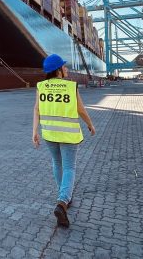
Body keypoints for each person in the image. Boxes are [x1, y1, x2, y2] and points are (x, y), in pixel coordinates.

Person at [32, 54, 96, 227]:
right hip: (68, 135)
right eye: (64, 66)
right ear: (58, 70)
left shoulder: (41, 86)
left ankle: (64, 196)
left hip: (49, 134)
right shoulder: (70, 86)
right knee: (69, 167)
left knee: (57, 163)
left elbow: (37, 109)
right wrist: (90, 124)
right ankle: (62, 201)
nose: (66, 68)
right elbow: (81, 109)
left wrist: (34, 131)